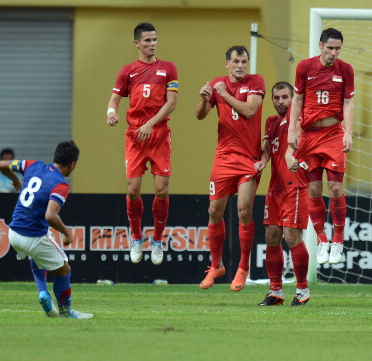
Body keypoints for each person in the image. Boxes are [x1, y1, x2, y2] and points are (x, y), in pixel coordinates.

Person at [106, 22, 178, 266]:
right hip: (135, 136)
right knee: (133, 190)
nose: (152, 44)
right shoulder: (128, 71)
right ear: (137, 43)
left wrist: (150, 124)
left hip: (158, 134)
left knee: (161, 189)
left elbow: (171, 103)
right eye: (147, 40)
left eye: (154, 39)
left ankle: (157, 240)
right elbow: (115, 98)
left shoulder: (168, 68)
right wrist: (110, 112)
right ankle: (136, 238)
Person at [195, 45, 265, 292]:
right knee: (214, 210)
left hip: (249, 157)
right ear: (227, 64)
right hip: (224, 157)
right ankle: (216, 265)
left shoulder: (256, 81)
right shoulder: (217, 83)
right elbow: (200, 116)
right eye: (235, 62)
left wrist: (222, 94)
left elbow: (249, 110)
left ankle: (243, 267)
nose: (240, 66)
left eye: (244, 62)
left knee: (244, 211)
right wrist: (205, 100)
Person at [0, 141, 92, 319]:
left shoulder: (32, 165)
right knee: (64, 269)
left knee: (38, 254)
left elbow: (2, 165)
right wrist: (66, 231)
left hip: (13, 233)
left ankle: (43, 292)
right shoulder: (61, 185)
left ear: (54, 157)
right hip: (32, 237)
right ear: (73, 164)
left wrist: (16, 180)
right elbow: (50, 215)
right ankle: (66, 313)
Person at [286, 28, 354, 266]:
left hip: (334, 134)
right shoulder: (305, 67)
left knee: (335, 189)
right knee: (314, 190)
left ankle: (338, 240)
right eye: (330, 48)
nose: (334, 53)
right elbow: (298, 100)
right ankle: (322, 240)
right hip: (310, 136)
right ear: (320, 45)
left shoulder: (345, 70)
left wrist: (349, 132)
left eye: (337, 49)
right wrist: (292, 129)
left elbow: (348, 101)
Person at [257, 81, 310, 306]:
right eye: (276, 97)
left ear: (292, 98)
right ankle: (276, 291)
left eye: (285, 97)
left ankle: (302, 290)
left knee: (291, 236)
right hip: (275, 187)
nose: (280, 102)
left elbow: (299, 134)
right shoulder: (271, 122)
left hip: (295, 185)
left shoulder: (298, 116)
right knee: (271, 235)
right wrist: (262, 161)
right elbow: (267, 149)